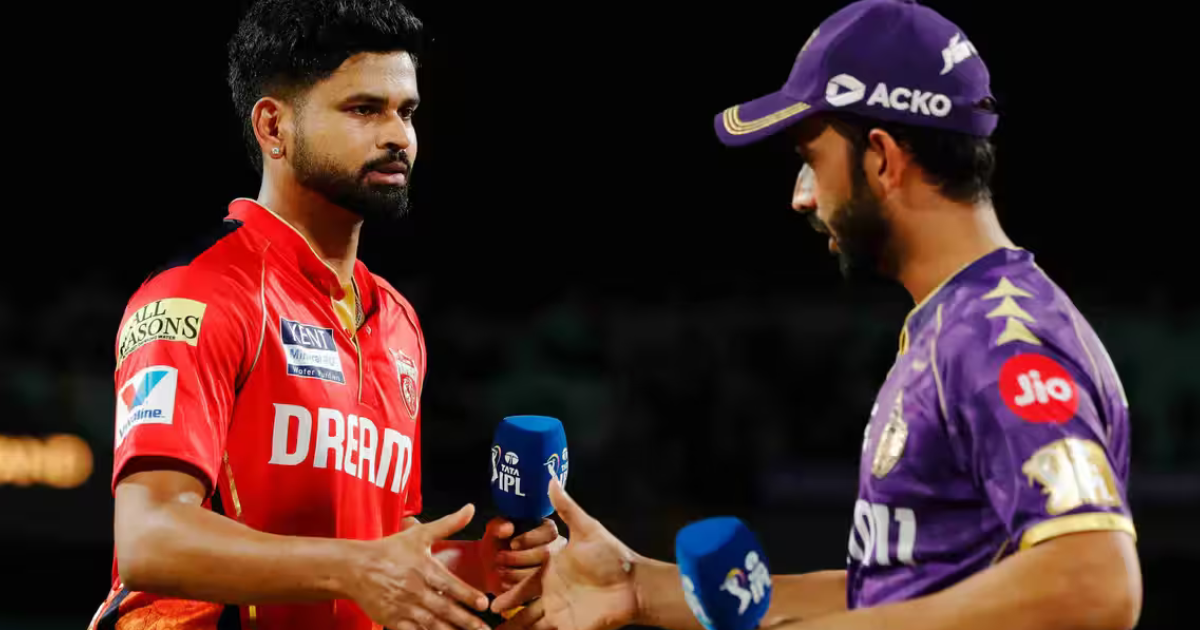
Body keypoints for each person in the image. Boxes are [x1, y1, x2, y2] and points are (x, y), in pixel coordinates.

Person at [488, 1, 1143, 629]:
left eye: (810, 159)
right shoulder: (956, 324)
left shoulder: (999, 337)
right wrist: (636, 586)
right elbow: (899, 596)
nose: (801, 197)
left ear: (881, 158)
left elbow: (1095, 581)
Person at [87, 2, 561, 629]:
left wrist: (487, 570)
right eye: (364, 110)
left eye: (407, 112)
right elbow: (151, 539)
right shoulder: (199, 294)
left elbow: (382, 546)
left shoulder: (398, 322)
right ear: (274, 126)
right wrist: (356, 569)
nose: (398, 137)